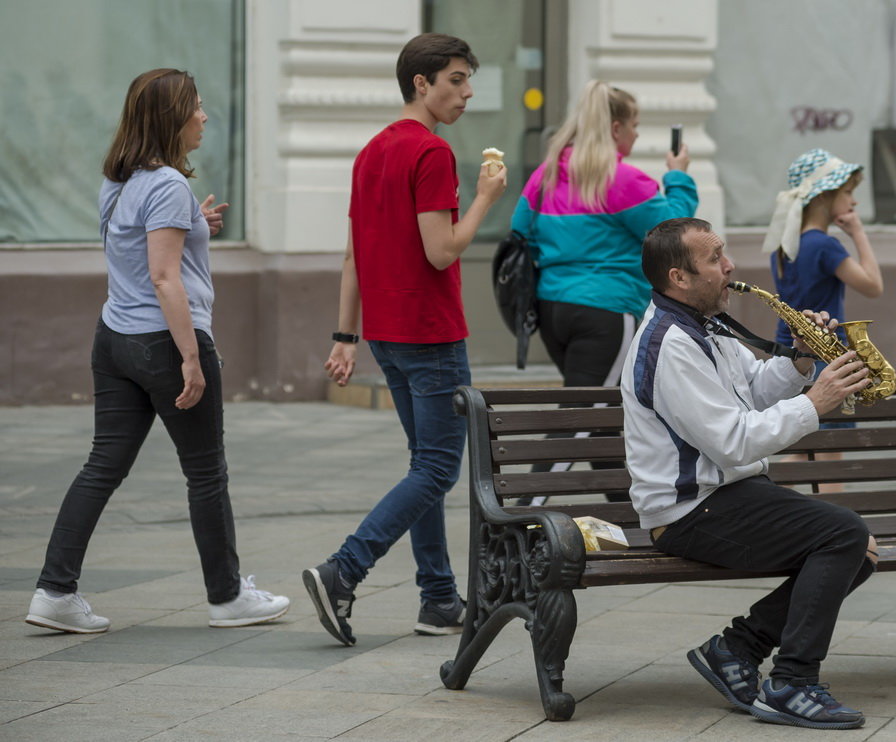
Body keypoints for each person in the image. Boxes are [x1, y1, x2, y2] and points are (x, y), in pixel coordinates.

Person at [25, 69, 290, 635]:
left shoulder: (119, 180)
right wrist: (191, 358)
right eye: (196, 107)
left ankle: (54, 591)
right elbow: (165, 277)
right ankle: (227, 598)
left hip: (114, 339)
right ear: (173, 117)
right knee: (206, 473)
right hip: (162, 343)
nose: (205, 116)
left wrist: (197, 225)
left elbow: (141, 246)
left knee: (102, 466)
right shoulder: (169, 184)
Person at [621, 217, 878, 730]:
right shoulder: (670, 344)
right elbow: (734, 442)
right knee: (844, 534)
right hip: (690, 511)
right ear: (679, 278)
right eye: (714, 258)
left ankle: (735, 649)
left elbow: (755, 387)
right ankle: (791, 684)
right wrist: (816, 403)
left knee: (859, 549)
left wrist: (802, 361)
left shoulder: (702, 325)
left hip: (729, 496)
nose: (730, 266)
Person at [301, 33, 506, 647]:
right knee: (440, 468)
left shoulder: (371, 153)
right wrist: (487, 201)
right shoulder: (432, 153)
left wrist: (345, 336)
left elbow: (351, 256)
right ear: (422, 83)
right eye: (456, 80)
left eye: (468, 79)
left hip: (388, 335)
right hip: (431, 335)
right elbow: (442, 250)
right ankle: (343, 571)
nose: (467, 92)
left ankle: (438, 596)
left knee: (425, 465)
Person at [509, 80, 698, 503]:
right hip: (606, 315)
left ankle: (635, 517)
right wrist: (678, 177)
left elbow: (519, 233)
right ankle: (519, 515)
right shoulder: (624, 180)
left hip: (553, 311)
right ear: (615, 128)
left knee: (601, 417)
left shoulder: (547, 174)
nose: (635, 135)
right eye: (633, 125)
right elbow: (677, 235)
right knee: (581, 418)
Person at [763, 147, 883, 350]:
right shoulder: (824, 245)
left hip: (786, 351)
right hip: (824, 354)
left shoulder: (783, 245)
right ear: (821, 196)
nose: (854, 201)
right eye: (847, 192)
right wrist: (858, 233)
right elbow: (873, 287)